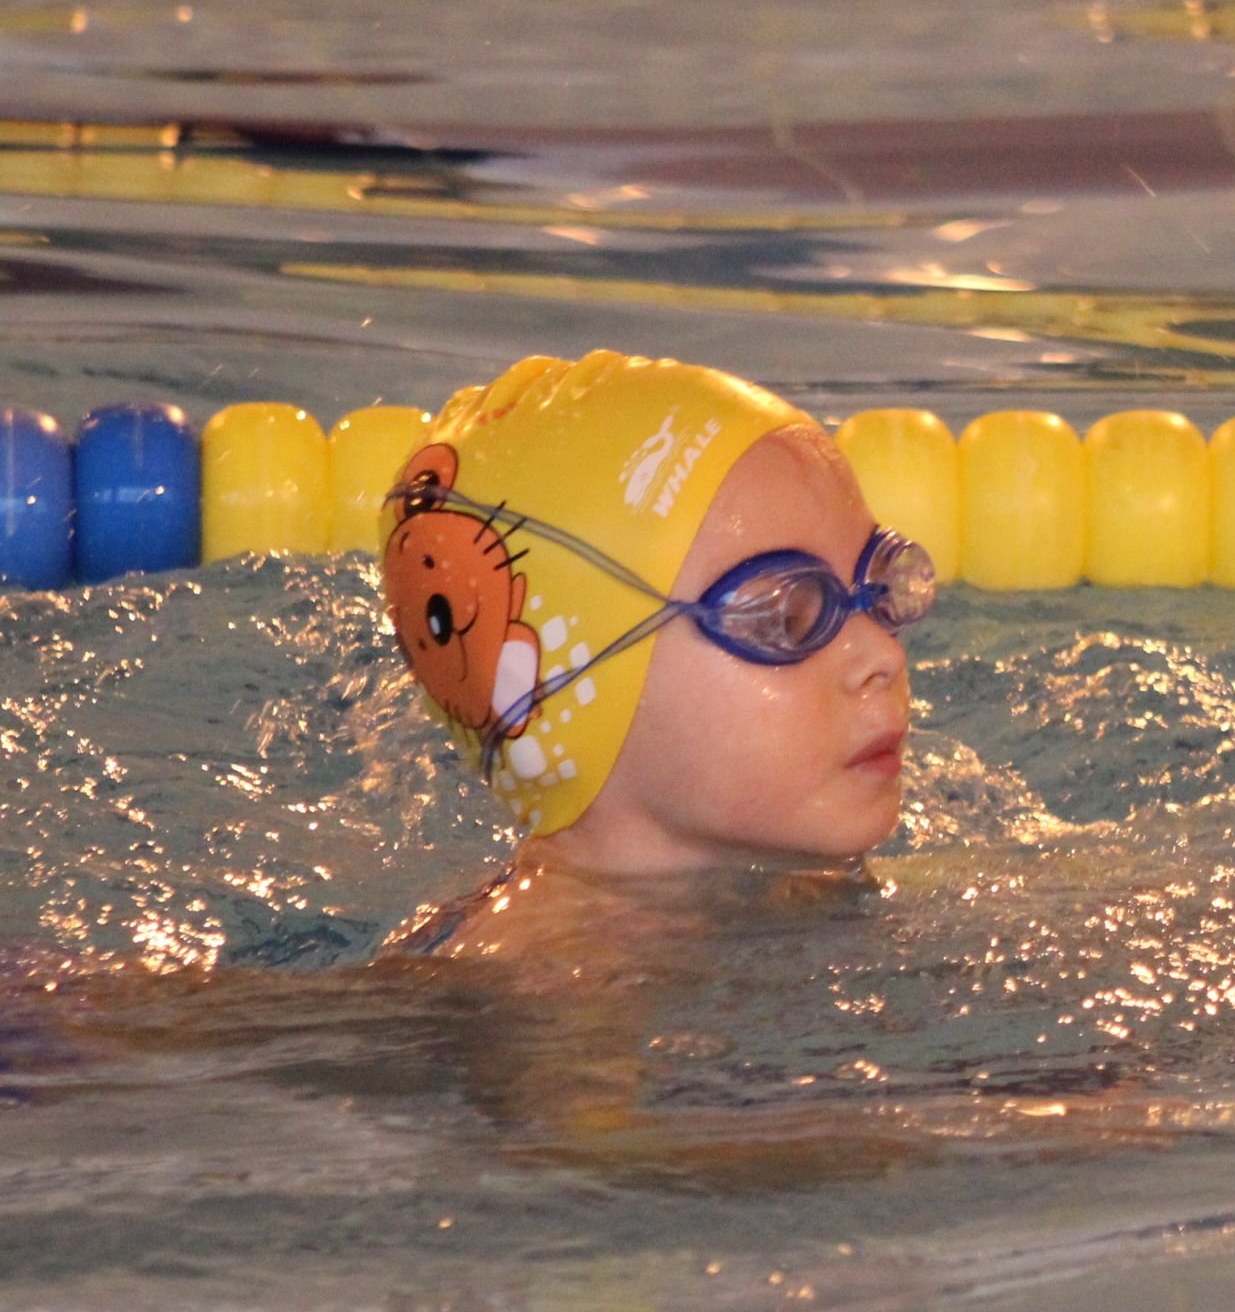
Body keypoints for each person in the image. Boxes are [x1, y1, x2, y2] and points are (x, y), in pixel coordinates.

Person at [376, 350, 931, 961]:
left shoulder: (794, 885)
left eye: (881, 584)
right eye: (787, 615)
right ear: (575, 685)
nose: (882, 655)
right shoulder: (541, 991)